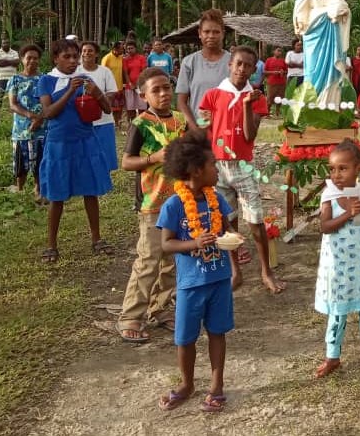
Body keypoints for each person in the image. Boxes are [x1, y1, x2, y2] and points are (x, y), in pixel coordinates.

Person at [155, 132, 242, 414]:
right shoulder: (174, 205)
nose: (217, 170)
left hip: (218, 280)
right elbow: (166, 244)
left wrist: (236, 263)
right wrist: (194, 242)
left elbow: (228, 232)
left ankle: (216, 385)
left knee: (218, 332)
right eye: (213, 165)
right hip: (191, 284)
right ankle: (187, 383)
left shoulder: (215, 198)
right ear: (196, 171)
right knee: (185, 338)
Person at [199, 45, 283, 293]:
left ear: (254, 70)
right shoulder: (213, 95)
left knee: (255, 221)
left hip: (242, 166)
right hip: (218, 167)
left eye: (248, 66)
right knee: (227, 222)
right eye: (239, 64)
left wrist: (247, 105)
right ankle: (235, 271)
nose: (242, 69)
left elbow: (249, 134)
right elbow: (205, 129)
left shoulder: (256, 99)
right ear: (230, 65)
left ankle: (266, 271)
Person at [117, 67, 187, 343]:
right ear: (143, 95)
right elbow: (126, 162)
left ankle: (161, 308)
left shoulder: (181, 120)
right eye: (155, 90)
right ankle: (131, 315)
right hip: (152, 203)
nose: (163, 94)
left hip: (180, 201)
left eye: (166, 88)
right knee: (148, 260)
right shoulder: (141, 124)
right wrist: (153, 158)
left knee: (172, 261)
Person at [37, 38, 114, 263]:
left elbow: (107, 108)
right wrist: (70, 91)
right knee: (56, 195)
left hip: (85, 141)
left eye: (75, 57)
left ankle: (97, 239)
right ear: (55, 58)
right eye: (66, 57)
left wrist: (96, 92)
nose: (72, 61)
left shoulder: (85, 79)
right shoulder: (47, 81)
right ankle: (51, 245)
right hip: (59, 144)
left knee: (90, 192)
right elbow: (49, 112)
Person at [313, 140, 360, 379]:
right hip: (338, 266)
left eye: (343, 168)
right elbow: (325, 226)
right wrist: (348, 213)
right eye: (332, 169)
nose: (336, 174)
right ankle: (332, 355)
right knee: (338, 310)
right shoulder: (329, 195)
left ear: (359, 169)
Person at [292, 0, 353, 107]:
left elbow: (341, 0)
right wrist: (299, 22)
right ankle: (312, 104)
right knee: (312, 67)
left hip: (331, 27)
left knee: (332, 65)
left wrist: (344, 12)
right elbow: (300, 6)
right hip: (314, 27)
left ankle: (330, 104)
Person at [177, 10, 231, 132]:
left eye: (216, 32)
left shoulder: (233, 62)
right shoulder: (189, 62)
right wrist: (194, 128)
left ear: (223, 34)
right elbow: (181, 102)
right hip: (198, 126)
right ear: (200, 33)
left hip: (226, 128)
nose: (211, 36)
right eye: (206, 31)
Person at [6, 44, 47, 205]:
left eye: (35, 58)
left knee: (40, 158)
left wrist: (39, 119)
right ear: (22, 59)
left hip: (42, 126)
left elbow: (48, 102)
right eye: (28, 57)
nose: (32, 61)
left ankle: (38, 188)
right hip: (21, 128)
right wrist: (31, 116)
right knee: (20, 159)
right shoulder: (15, 79)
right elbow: (13, 104)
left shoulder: (43, 79)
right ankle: (20, 187)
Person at [77, 41, 120, 173]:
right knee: (84, 156)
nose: (86, 53)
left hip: (104, 120)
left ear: (96, 54)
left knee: (105, 155)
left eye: (90, 51)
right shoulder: (76, 71)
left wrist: (99, 101)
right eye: (84, 51)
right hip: (82, 121)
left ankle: (103, 180)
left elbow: (112, 92)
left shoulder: (105, 71)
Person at [101, 41, 126, 130]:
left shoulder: (121, 57)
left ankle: (118, 123)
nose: (122, 50)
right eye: (121, 49)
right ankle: (113, 123)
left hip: (119, 86)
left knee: (120, 107)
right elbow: (102, 72)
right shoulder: (106, 58)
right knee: (112, 107)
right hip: (110, 87)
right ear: (115, 49)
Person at [122, 41, 148, 121]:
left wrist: (138, 83)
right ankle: (133, 124)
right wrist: (130, 84)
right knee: (130, 107)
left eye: (131, 48)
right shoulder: (125, 60)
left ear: (135, 48)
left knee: (142, 106)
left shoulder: (141, 58)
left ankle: (142, 123)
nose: (129, 50)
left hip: (141, 85)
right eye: (128, 49)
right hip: (129, 87)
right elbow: (125, 73)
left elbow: (144, 72)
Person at [0, 35, 20, 104]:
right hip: (1, 78)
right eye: (4, 43)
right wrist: (11, 61)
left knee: (15, 97)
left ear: (9, 44)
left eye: (7, 43)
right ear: (1, 44)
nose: (5, 44)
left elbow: (17, 63)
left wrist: (4, 61)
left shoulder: (14, 52)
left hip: (13, 78)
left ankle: (14, 112)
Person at [263, 46, 288, 117]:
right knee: (270, 98)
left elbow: (287, 71)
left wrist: (283, 72)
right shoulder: (269, 60)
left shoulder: (283, 61)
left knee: (280, 98)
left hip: (281, 82)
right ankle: (267, 113)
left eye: (280, 51)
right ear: (274, 51)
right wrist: (273, 72)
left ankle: (277, 112)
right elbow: (264, 71)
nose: (279, 52)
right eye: (278, 50)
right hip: (271, 82)